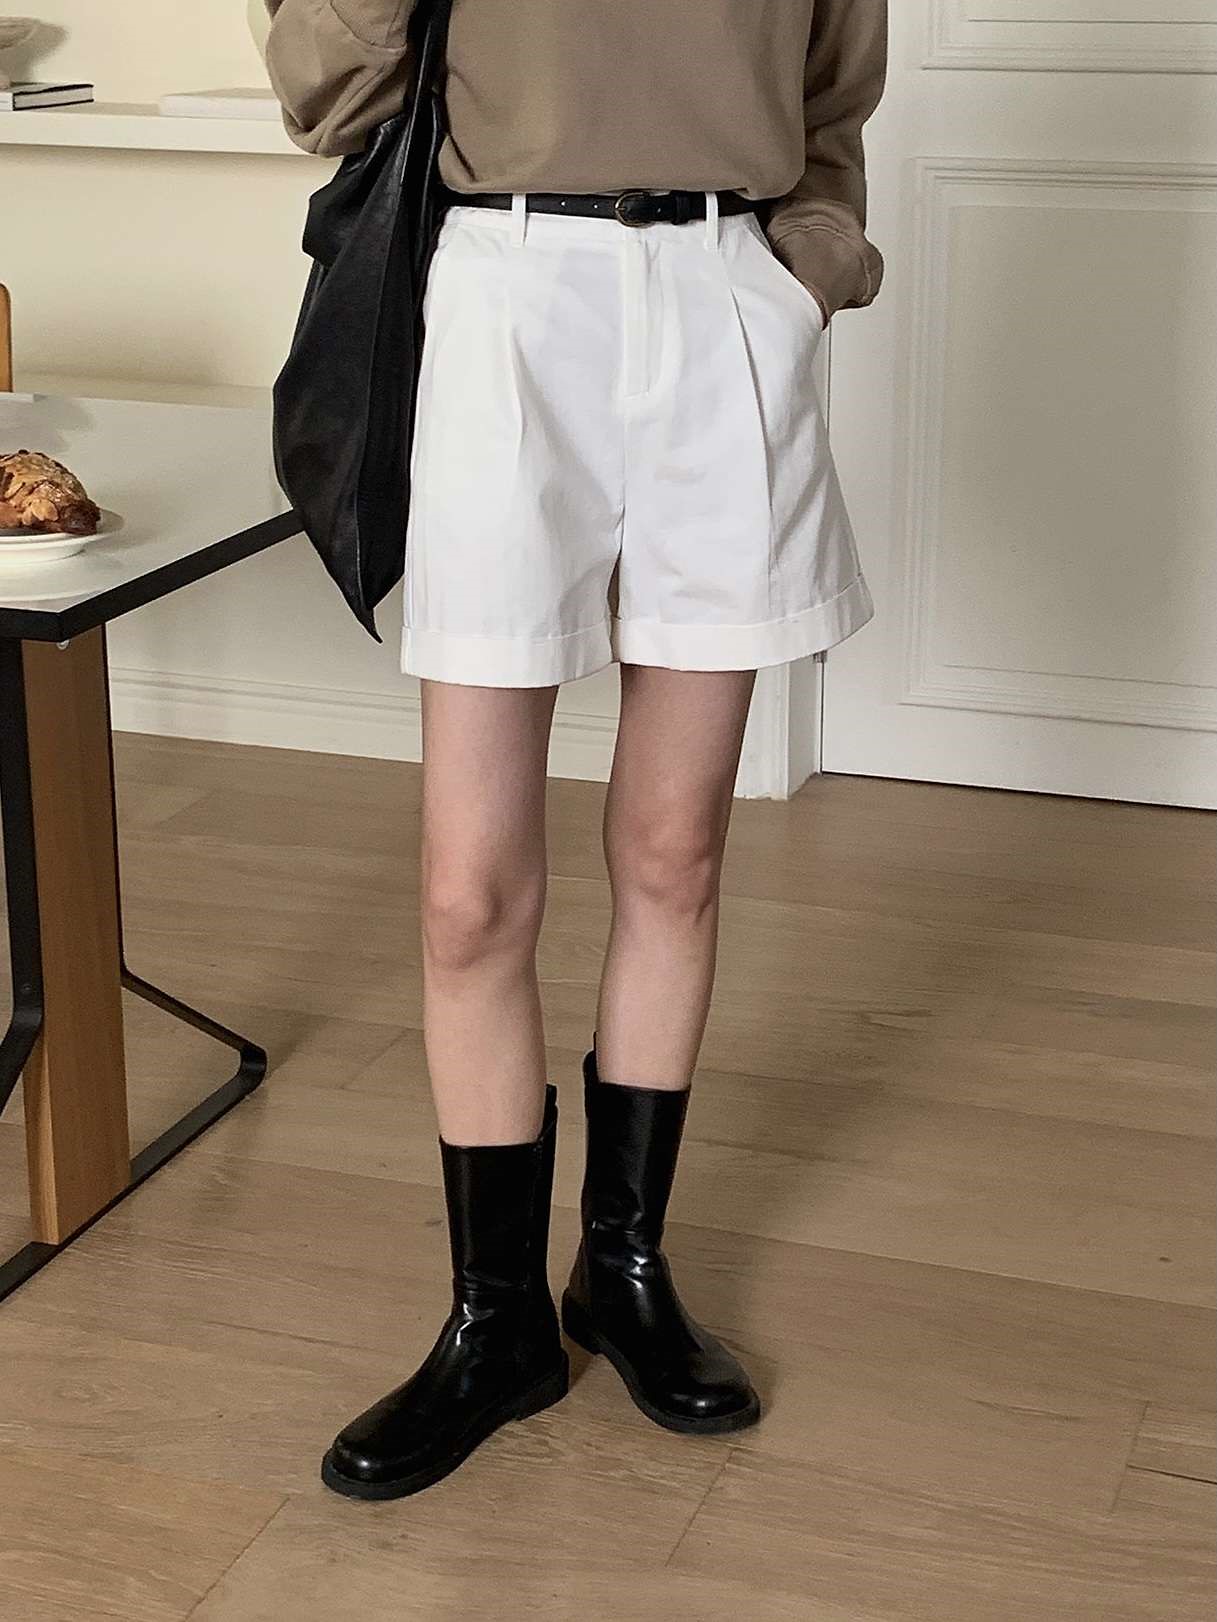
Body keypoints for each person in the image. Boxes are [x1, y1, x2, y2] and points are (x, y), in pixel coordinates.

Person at [263, 0, 888, 1501]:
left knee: (674, 849)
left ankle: (622, 1268)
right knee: (468, 890)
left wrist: (799, 273)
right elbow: (327, 85)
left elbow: (833, 94)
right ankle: (495, 1324)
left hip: (726, 298)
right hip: (506, 296)